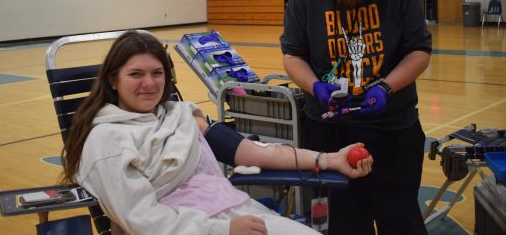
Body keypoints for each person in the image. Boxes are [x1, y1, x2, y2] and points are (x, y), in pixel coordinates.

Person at [61, 30, 373, 235]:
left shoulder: (180, 116)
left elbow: (256, 152)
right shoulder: (106, 142)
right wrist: (222, 230)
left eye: (157, 73)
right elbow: (142, 219)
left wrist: (332, 159)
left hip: (238, 215)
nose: (149, 83)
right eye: (136, 74)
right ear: (113, 80)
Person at [281, 0, 432, 235]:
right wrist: (314, 86)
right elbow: (292, 56)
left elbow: (419, 51)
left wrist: (387, 88)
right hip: (330, 131)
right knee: (344, 223)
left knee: (401, 218)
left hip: (394, 130)